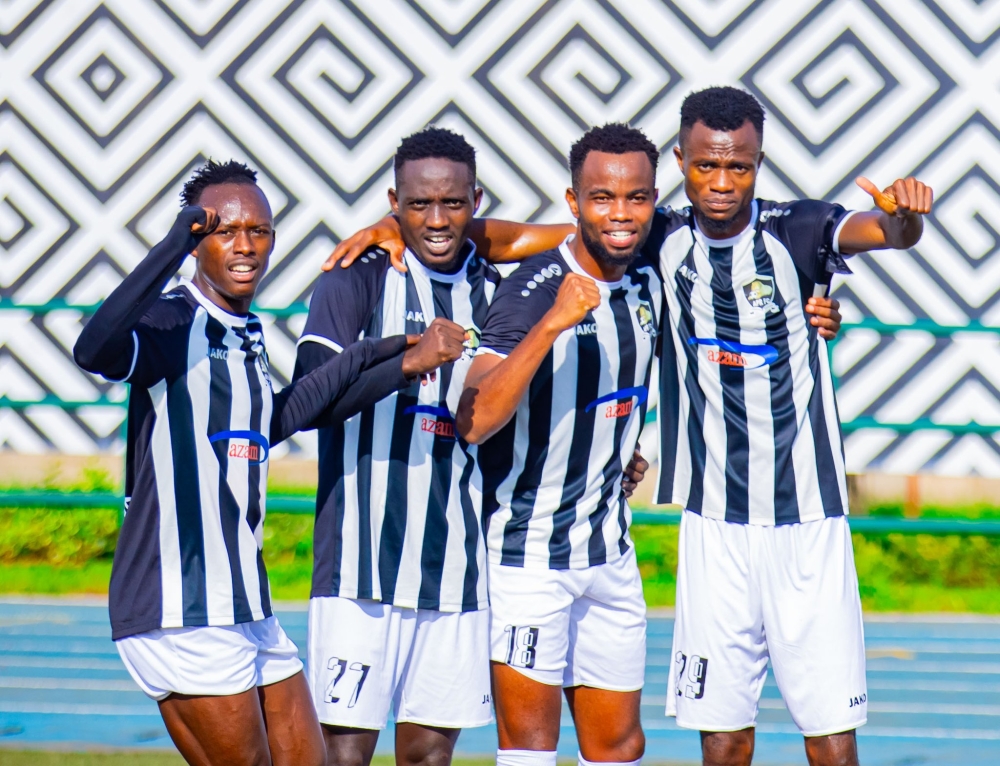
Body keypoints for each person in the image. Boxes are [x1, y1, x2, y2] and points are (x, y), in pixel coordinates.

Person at [73, 160, 417, 766]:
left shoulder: (244, 331)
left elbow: (283, 417)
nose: (245, 246)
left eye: (259, 231)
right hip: (179, 602)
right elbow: (92, 347)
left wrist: (393, 360)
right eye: (225, 231)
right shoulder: (172, 318)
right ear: (197, 240)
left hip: (244, 601)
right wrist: (173, 244)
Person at [460, 123, 662, 766]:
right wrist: (551, 324)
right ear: (573, 203)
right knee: (530, 751)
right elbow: (474, 418)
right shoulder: (530, 292)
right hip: (527, 559)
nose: (621, 214)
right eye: (602, 198)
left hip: (609, 551)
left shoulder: (650, 267)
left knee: (620, 746)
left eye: (637, 198)